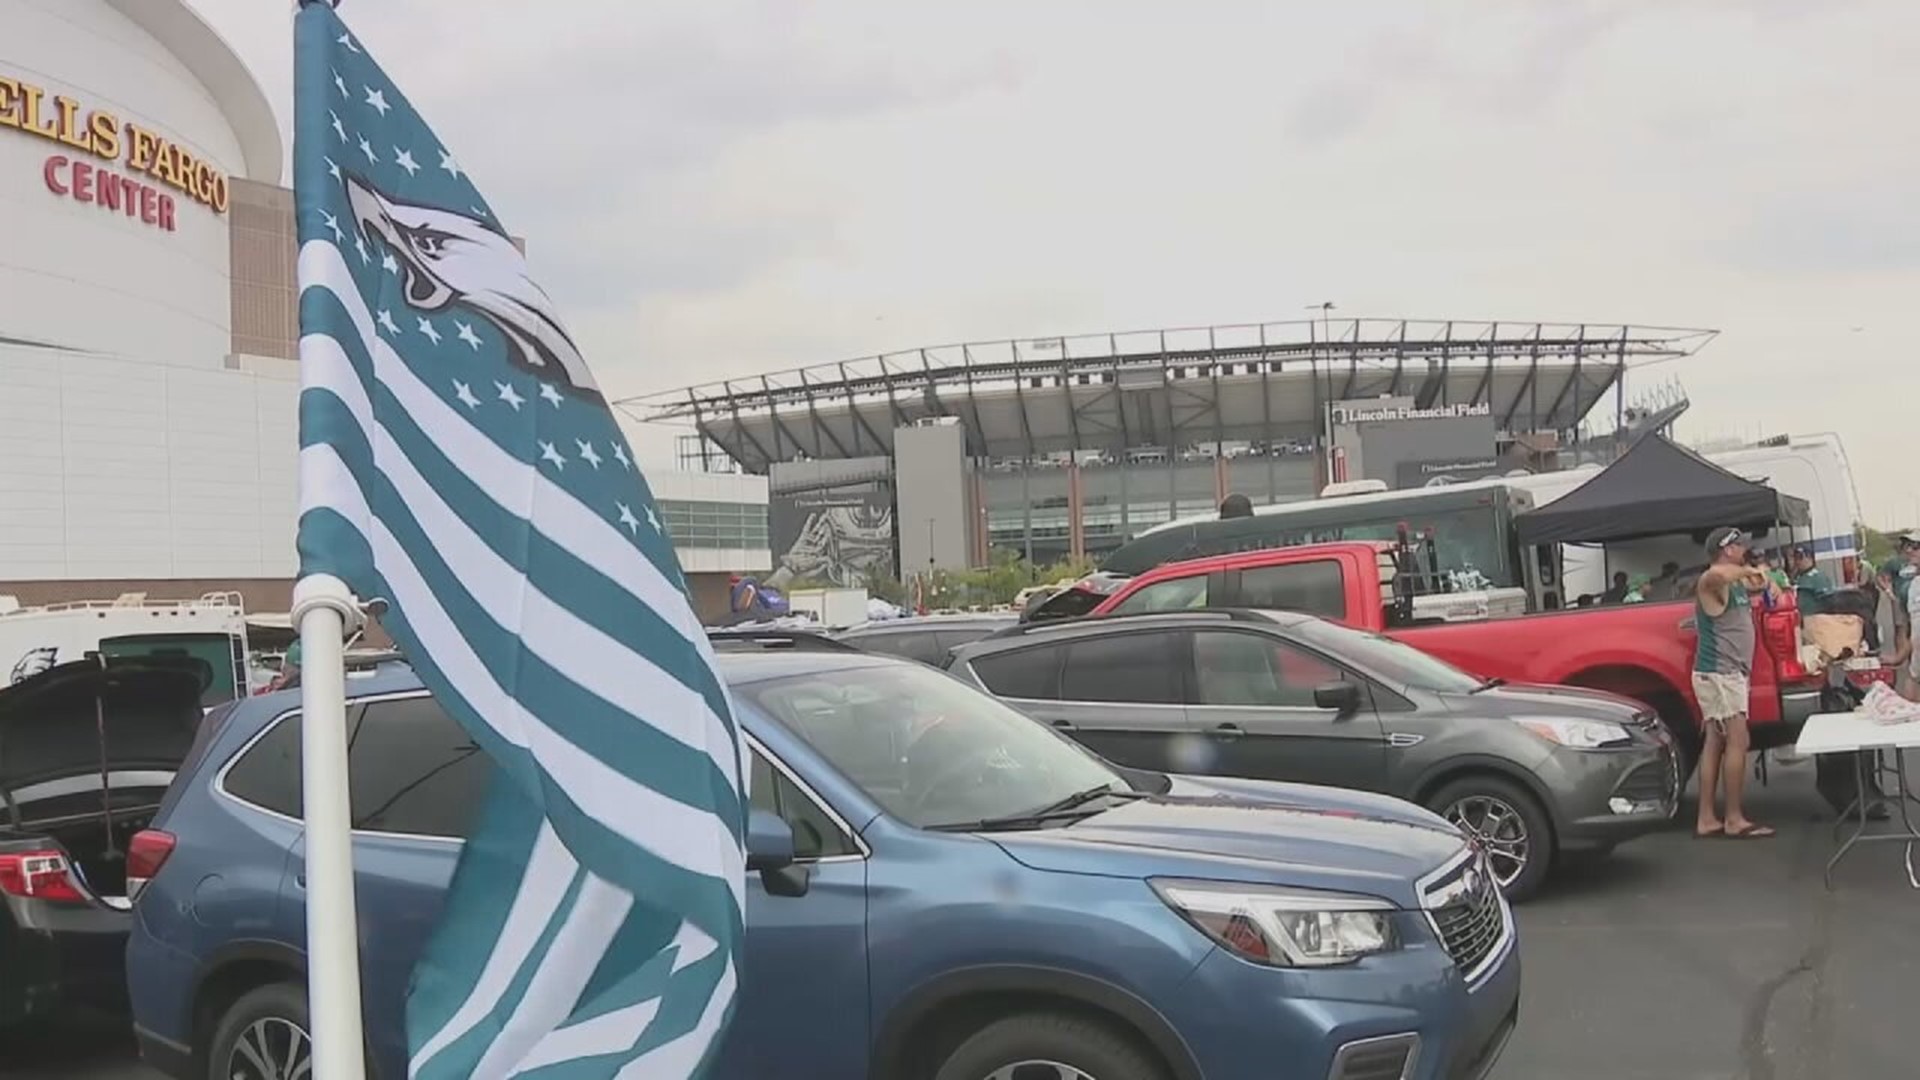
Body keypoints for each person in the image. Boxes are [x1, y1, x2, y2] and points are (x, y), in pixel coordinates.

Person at [1693, 527, 1782, 840]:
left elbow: (1769, 593)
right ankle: (1733, 818)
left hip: (1725, 673)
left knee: (1716, 742)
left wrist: (1764, 579)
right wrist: (1750, 571)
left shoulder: (1737, 582)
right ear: (1725, 549)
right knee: (1737, 741)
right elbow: (1713, 579)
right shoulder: (1713, 579)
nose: (1745, 548)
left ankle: (1707, 818)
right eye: (1739, 544)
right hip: (1721, 673)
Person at [1790, 546, 1835, 615]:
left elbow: (1827, 600)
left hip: (1817, 618)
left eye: (1801, 558)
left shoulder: (1818, 576)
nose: (1798, 561)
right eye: (1796, 558)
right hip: (1803, 618)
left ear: (1810, 558)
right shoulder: (1799, 577)